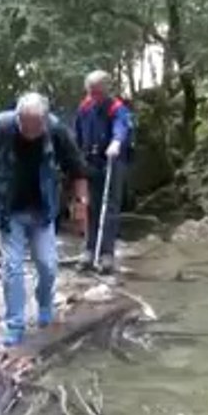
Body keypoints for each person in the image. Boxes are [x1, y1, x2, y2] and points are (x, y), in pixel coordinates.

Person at [0, 92, 89, 348]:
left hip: (43, 211)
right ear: (18, 117)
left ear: (44, 120)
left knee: (48, 264)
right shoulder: (1, 128)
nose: (29, 130)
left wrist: (81, 204)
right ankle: (15, 324)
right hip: (9, 211)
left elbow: (77, 168)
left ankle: (44, 304)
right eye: (25, 124)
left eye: (35, 125)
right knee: (12, 267)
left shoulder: (56, 132)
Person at [73, 69, 133, 274]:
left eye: (96, 92)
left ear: (106, 90)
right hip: (91, 160)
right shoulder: (85, 107)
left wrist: (116, 143)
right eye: (90, 91)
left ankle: (107, 253)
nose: (93, 96)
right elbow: (78, 133)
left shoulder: (117, 108)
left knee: (110, 207)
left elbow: (122, 128)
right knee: (91, 206)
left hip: (112, 161)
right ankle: (89, 249)